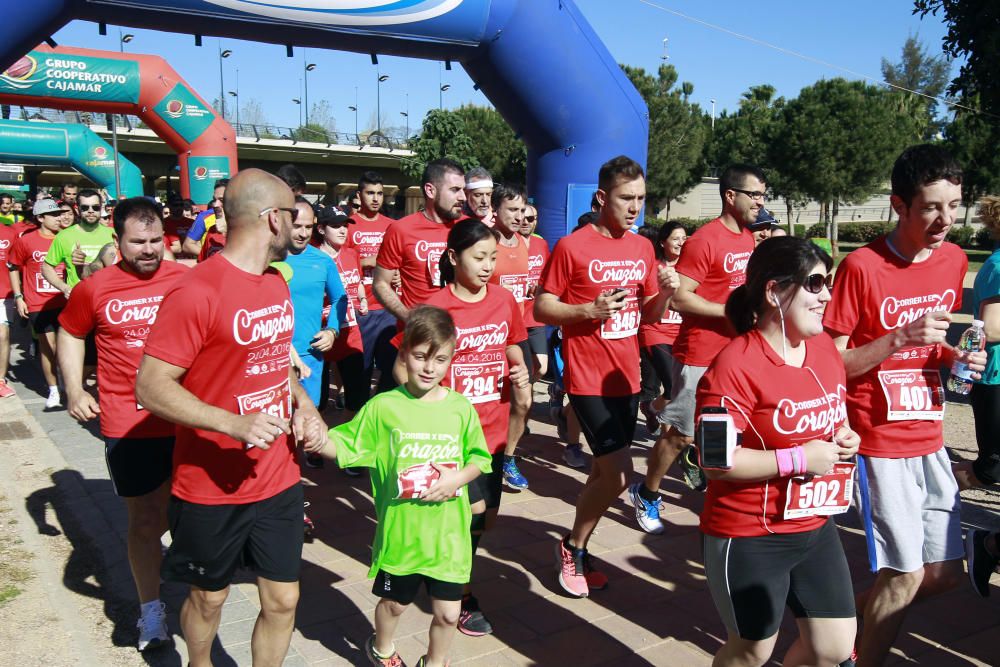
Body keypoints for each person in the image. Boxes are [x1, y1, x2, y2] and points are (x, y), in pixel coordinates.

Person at [135, 168, 327, 667]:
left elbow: (272, 366)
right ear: (270, 219)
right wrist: (234, 424)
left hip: (279, 476)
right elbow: (151, 388)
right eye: (292, 213)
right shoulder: (197, 290)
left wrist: (305, 407)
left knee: (283, 600)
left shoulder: (274, 285)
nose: (300, 222)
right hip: (210, 484)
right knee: (209, 599)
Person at [822, 144, 986, 666]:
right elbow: (830, 365)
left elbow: (934, 345)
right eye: (931, 207)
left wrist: (955, 356)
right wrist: (898, 337)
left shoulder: (954, 259)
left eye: (954, 205)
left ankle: (837, 621)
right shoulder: (863, 267)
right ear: (899, 205)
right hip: (879, 441)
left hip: (930, 436)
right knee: (904, 573)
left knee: (944, 574)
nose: (945, 220)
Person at [698, 237, 858, 667]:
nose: (827, 295)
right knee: (752, 652)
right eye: (815, 283)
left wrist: (844, 435)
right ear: (774, 291)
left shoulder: (823, 347)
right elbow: (714, 464)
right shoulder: (732, 367)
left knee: (835, 648)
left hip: (814, 524)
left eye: (829, 283)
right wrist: (800, 459)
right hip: (748, 533)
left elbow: (831, 413)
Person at [316, 305, 491, 667]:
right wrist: (317, 441)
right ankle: (381, 648)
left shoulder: (461, 409)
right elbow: (347, 446)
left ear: (450, 360)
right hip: (403, 536)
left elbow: (480, 459)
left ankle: (436, 661)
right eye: (421, 357)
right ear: (404, 354)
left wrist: (456, 478)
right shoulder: (384, 408)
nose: (429, 368)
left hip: (449, 537)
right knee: (395, 604)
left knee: (446, 613)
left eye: (440, 359)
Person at [534, 155, 678, 598]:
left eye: (640, 199)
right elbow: (542, 307)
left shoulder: (641, 248)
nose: (635, 207)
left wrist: (667, 293)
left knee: (601, 475)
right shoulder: (573, 246)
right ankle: (571, 546)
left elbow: (649, 313)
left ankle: (580, 549)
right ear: (602, 197)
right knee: (617, 477)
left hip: (626, 378)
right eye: (625, 198)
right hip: (586, 377)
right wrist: (586, 311)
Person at [56, 197, 188, 652]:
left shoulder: (186, 280)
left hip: (187, 419)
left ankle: (191, 588)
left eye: (156, 241)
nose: (149, 250)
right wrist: (74, 389)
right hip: (127, 423)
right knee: (144, 520)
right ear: (118, 241)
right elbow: (70, 332)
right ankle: (151, 611)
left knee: (186, 516)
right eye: (138, 242)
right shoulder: (95, 288)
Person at [393, 219, 529, 636]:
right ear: (453, 258)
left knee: (483, 521)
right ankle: (458, 596)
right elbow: (403, 367)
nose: (488, 266)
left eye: (493, 257)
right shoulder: (434, 307)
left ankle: (438, 571)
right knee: (467, 517)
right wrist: (427, 407)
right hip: (449, 440)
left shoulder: (505, 300)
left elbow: (512, 344)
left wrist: (521, 370)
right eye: (479, 257)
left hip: (493, 433)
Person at [631, 165, 762, 535]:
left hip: (735, 352)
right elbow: (680, 300)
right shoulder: (705, 241)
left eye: (763, 195)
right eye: (755, 195)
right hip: (700, 353)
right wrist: (729, 312)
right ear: (731, 195)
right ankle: (648, 492)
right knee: (680, 434)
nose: (760, 202)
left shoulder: (747, 239)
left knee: (731, 429)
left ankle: (716, 489)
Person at [963, 195, 1000, 598]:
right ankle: (931, 495)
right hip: (994, 380)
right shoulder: (997, 266)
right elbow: (989, 328)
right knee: (992, 467)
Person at [487, 184, 534, 490]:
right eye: (511, 210)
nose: (518, 217)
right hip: (488, 334)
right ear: (495, 211)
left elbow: (517, 283)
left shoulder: (521, 241)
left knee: (524, 399)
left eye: (521, 210)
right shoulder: (485, 240)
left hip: (516, 334)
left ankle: (509, 457)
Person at [284, 196, 347, 408]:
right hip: (274, 357)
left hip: (310, 356)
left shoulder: (322, 261)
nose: (303, 233)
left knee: (308, 426)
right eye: (297, 226)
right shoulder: (266, 258)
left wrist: (332, 330)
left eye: (308, 227)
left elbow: (340, 297)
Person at [8, 199, 69, 409]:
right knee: (47, 346)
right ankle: (53, 389)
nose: (58, 218)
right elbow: (13, 266)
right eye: (53, 215)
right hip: (37, 302)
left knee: (64, 346)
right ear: (40, 218)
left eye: (59, 214)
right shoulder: (26, 241)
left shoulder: (65, 238)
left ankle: (65, 380)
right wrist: (18, 297)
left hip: (65, 301)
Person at [347, 171, 399, 400]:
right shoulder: (348, 226)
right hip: (361, 309)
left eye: (380, 193)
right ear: (359, 195)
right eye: (370, 193)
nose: (376, 198)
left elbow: (402, 260)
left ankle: (377, 410)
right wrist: (367, 262)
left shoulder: (393, 226)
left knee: (391, 371)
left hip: (388, 308)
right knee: (360, 373)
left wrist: (398, 274)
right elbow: (339, 264)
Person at [637, 221, 686, 433]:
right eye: (676, 239)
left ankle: (651, 407)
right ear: (663, 242)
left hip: (681, 334)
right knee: (674, 386)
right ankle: (669, 439)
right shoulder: (654, 267)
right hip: (655, 332)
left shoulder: (690, 268)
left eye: (684, 239)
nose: (681, 243)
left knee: (678, 387)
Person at [42, 188, 115, 295]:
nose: (91, 211)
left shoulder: (113, 234)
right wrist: (64, 288)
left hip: (108, 299)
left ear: (101, 208)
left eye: (95, 207)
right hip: (79, 299)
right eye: (85, 207)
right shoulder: (64, 236)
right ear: (77, 209)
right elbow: (46, 267)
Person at [519, 203, 550, 383]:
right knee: (520, 367)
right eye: (522, 217)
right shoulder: (508, 243)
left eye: (530, 219)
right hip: (515, 315)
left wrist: (539, 286)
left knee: (541, 367)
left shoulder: (541, 243)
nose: (525, 222)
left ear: (536, 221)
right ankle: (521, 399)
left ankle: (524, 392)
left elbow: (548, 274)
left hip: (534, 316)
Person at [181, 179, 228, 256]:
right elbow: (187, 246)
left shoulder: (249, 221)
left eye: (221, 200)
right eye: (214, 199)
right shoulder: (204, 217)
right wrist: (213, 257)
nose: (215, 205)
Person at [0, 213, 17, 398]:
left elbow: (16, 265)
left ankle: (0, 381)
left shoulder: (9, 233)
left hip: (3, 293)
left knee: (2, 334)